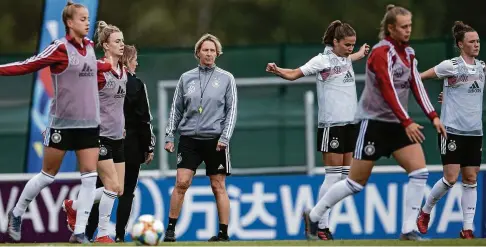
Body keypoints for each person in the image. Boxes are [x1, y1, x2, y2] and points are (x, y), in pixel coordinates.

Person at [301, 4, 447, 241]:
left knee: (420, 172)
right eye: (404, 26)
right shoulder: (381, 53)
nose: (408, 30)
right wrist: (407, 120)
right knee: (355, 183)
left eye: (410, 25)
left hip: (399, 123)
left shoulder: (408, 54)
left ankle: (408, 230)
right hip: (374, 124)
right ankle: (315, 215)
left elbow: (416, 85)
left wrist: (433, 116)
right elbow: (388, 89)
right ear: (391, 28)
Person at [2, 1, 111, 243]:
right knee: (47, 175)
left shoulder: (91, 47)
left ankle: (80, 230)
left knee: (89, 176)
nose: (87, 22)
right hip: (62, 124)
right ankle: (17, 212)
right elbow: (27, 65)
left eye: (87, 18)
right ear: (69, 23)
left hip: (89, 125)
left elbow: (94, 71)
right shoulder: (59, 48)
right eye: (82, 19)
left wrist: (106, 69)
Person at [265, 20, 369, 240]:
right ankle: (320, 225)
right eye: (348, 44)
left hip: (351, 123)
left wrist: (361, 52)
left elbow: (354, 57)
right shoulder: (322, 60)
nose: (351, 48)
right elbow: (294, 74)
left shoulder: (346, 58)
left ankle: (316, 219)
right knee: (332, 178)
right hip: (332, 125)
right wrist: (277, 70)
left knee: (345, 179)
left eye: (353, 45)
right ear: (335, 42)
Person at [163, 33, 237, 242]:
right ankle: (170, 229)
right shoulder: (186, 78)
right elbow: (176, 110)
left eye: (213, 50)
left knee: (217, 185)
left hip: (216, 141)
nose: (209, 53)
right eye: (205, 50)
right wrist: (170, 135)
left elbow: (231, 111)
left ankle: (223, 233)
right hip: (189, 139)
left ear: (217, 53)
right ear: (198, 53)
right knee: (182, 182)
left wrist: (225, 137)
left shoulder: (226, 78)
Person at [416, 21, 484, 239]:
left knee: (471, 178)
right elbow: (419, 78)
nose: (476, 45)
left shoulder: (482, 68)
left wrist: (451, 96)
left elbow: (467, 92)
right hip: (451, 131)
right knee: (451, 178)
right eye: (471, 42)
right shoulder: (451, 65)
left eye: (478, 41)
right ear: (460, 44)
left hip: (474, 132)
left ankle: (467, 229)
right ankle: (425, 211)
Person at [62, 21, 127, 243]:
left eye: (122, 41)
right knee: (111, 186)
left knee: (118, 190)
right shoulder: (98, 70)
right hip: (98, 137)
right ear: (106, 46)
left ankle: (74, 205)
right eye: (117, 41)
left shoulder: (123, 71)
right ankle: (102, 234)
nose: (122, 45)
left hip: (118, 138)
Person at [84, 45, 156, 242]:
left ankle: (88, 232)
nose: (137, 63)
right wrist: (148, 146)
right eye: (135, 59)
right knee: (126, 191)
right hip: (130, 143)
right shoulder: (136, 84)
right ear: (128, 60)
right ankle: (120, 236)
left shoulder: (103, 80)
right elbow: (144, 119)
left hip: (103, 139)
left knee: (101, 187)